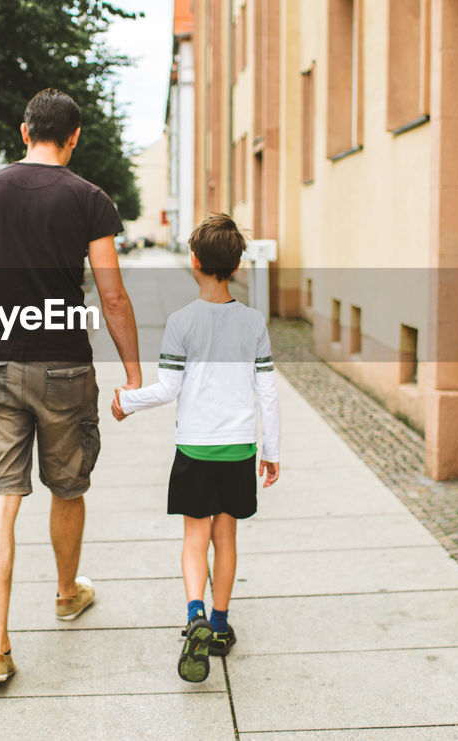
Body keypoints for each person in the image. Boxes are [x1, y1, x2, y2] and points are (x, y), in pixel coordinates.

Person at [0, 88, 142, 685]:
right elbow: (111, 295)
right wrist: (132, 374)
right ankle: (64, 591)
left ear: (24, 130)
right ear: (73, 137)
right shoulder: (90, 200)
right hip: (64, 368)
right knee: (67, 486)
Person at [111, 213, 280, 683]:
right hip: (239, 450)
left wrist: (126, 401)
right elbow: (267, 390)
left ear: (194, 261)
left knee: (194, 539)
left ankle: (195, 616)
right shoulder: (253, 323)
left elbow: (168, 389)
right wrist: (272, 449)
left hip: (196, 450)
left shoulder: (181, 321)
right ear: (237, 264)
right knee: (226, 538)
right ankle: (221, 625)